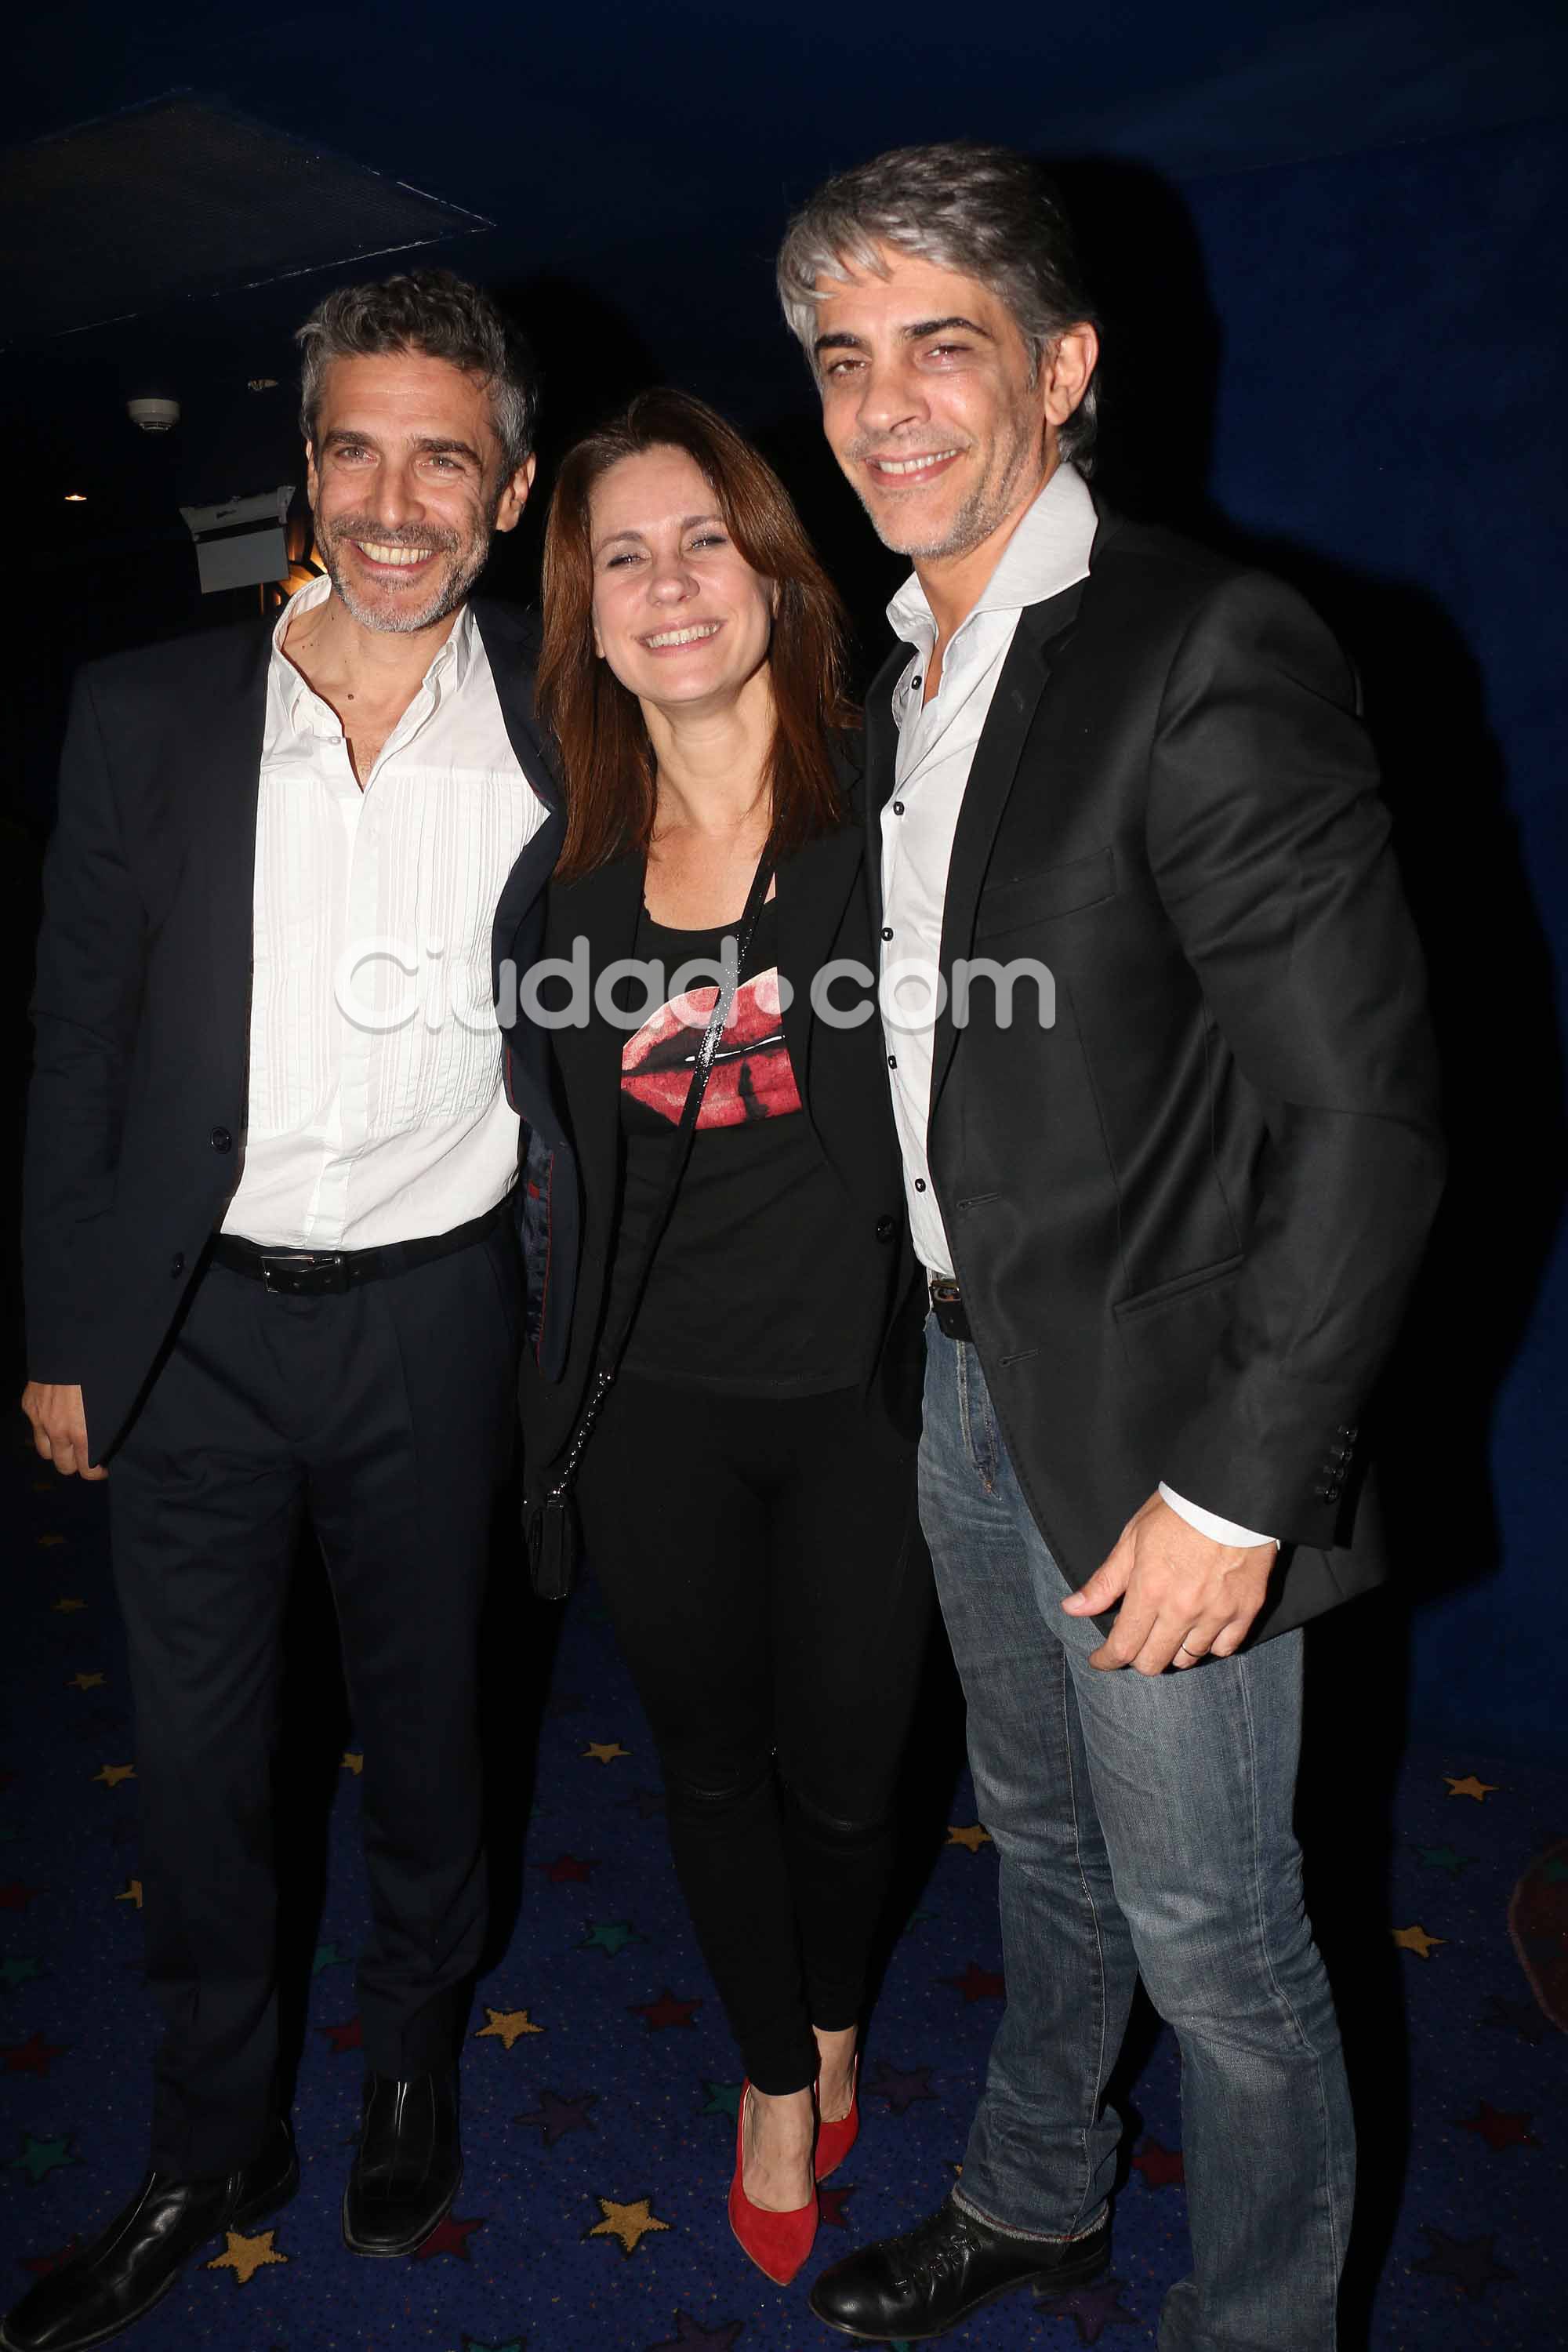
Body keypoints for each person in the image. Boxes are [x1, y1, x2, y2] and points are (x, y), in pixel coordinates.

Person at [774, 143, 1446, 2349]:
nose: (882, 404)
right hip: (972, 1385)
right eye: (843, 358)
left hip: (1177, 1434)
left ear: (1061, 368)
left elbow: (1366, 1118)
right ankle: (1040, 2192)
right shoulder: (903, 687)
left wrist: (1247, 1484)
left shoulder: (1202, 639)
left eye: (938, 347)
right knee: (1040, 1855)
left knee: (1223, 1950)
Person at [9, 270, 567, 2352]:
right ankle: (208, 2133)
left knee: (432, 1736)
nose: (397, 500)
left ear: (506, 490)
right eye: (359, 449)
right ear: (306, 467)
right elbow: (75, 1044)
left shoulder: (564, 711)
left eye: (447, 455)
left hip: (441, 1318)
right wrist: (69, 1327)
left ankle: (413, 2053)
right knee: (195, 1762)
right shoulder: (146, 714)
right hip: (198, 1331)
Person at [520, 389, 933, 2286]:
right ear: (586, 612)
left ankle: (834, 2006)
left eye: (703, 540)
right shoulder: (565, 881)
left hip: (864, 1396)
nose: (669, 584)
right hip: (650, 1411)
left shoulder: (898, 805)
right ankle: (777, 2074)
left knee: (852, 1772)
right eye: (624, 555)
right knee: (703, 1761)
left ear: (771, 567)